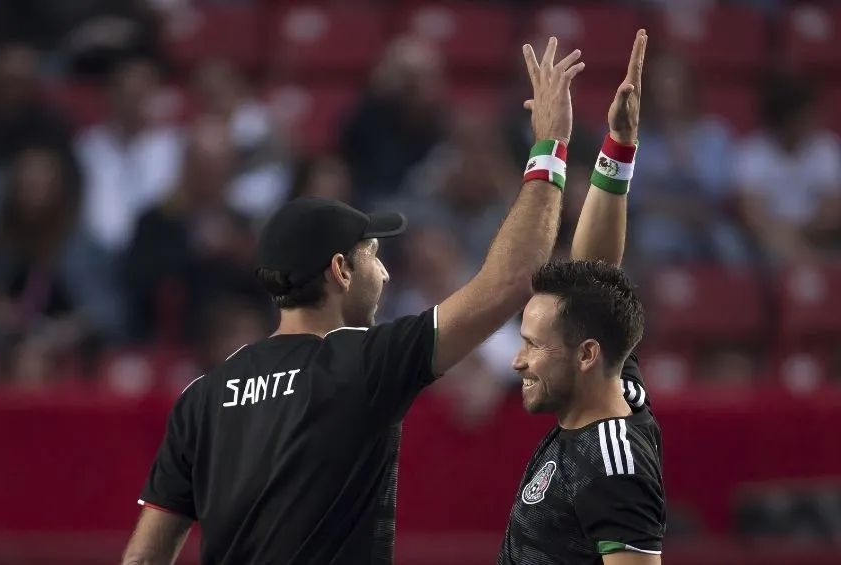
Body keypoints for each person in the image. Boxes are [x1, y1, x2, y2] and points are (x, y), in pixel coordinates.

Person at [121, 37, 585, 565]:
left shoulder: (202, 397)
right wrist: (550, 143)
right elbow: (511, 279)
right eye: (372, 256)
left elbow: (142, 559)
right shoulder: (364, 361)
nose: (385, 272)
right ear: (340, 271)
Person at [498, 30, 667, 565]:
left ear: (587, 354)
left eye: (533, 344)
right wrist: (618, 146)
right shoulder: (614, 387)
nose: (517, 359)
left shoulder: (613, 463)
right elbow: (595, 273)